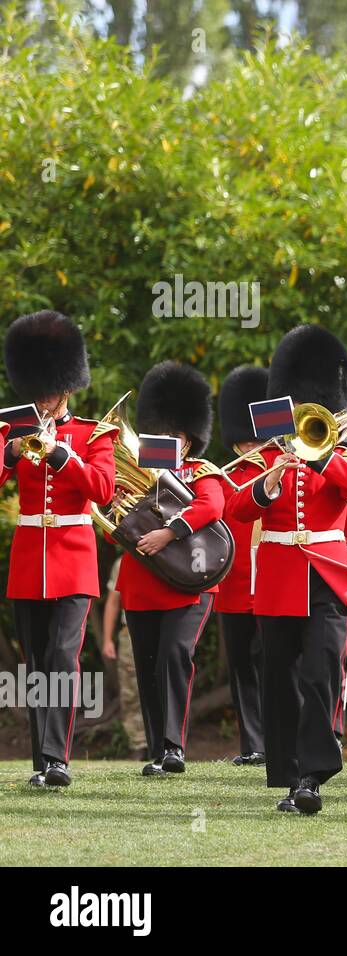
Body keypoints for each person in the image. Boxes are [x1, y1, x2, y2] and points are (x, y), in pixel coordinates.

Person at [228, 325, 347, 815]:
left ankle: (313, 774)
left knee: (322, 674)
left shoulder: (343, 454)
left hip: (328, 577)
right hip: (277, 577)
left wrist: (324, 455)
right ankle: (290, 775)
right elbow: (234, 509)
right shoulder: (267, 456)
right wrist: (268, 482)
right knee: (280, 678)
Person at [1, 311, 116, 788]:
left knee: (64, 657)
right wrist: (8, 455)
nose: (46, 397)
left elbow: (103, 488)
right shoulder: (10, 432)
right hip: (29, 558)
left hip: (73, 557)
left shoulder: (93, 435)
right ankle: (40, 761)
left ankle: (57, 758)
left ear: (69, 386)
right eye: (39, 388)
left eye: (53, 388)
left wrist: (61, 456)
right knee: (36, 663)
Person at [112, 362, 225, 776]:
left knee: (175, 655)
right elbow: (118, 529)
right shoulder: (136, 474)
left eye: (174, 433)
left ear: (189, 439)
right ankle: (158, 749)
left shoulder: (201, 471)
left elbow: (212, 506)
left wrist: (170, 532)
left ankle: (175, 747)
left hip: (190, 581)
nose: (166, 439)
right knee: (147, 664)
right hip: (143, 581)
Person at [215, 365, 269, 766]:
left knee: (274, 665)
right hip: (235, 583)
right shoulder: (224, 477)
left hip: (272, 581)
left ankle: (279, 737)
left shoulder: (280, 468)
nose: (249, 445)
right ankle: (253, 743)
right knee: (242, 668)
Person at [100, 556, 147, 759]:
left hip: (161, 628)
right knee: (131, 690)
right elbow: (113, 602)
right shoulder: (122, 562)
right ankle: (138, 744)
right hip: (129, 632)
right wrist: (108, 639)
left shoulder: (170, 555)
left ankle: (166, 743)